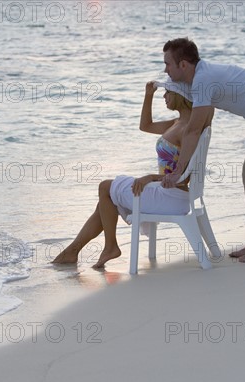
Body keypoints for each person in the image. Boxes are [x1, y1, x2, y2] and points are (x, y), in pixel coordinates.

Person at [160, 38, 245, 263]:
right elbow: (175, 90)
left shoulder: (203, 80)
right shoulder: (200, 77)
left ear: (183, 65)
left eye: (167, 64)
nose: (165, 69)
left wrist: (178, 172)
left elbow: (193, 130)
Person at [53, 78, 210, 268]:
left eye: (167, 92)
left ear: (179, 95)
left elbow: (184, 176)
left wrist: (151, 177)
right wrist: (148, 95)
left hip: (173, 196)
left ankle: (108, 247)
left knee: (105, 187)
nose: (164, 96)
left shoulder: (186, 129)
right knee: (106, 200)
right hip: (171, 194)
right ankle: (73, 252)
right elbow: (145, 126)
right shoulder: (178, 123)